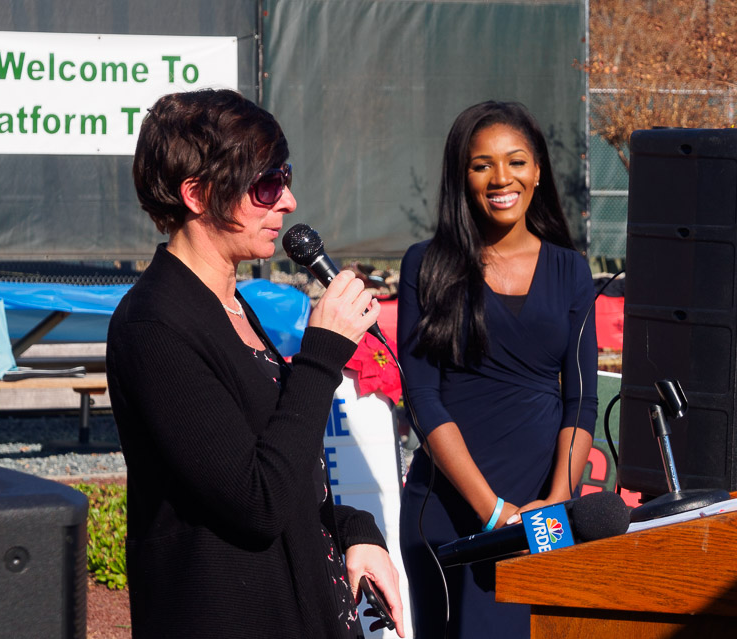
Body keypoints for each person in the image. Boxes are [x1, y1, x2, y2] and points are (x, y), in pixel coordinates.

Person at [107, 89, 405, 639]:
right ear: (197, 194)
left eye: (284, 178)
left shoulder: (228, 304)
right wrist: (320, 355)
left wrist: (355, 529)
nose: (288, 202)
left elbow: (279, 469)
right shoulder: (153, 326)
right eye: (266, 185)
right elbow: (255, 503)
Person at [397, 101, 599, 637]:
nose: (501, 178)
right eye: (481, 164)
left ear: (537, 172)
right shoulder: (426, 263)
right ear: (461, 176)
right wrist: (490, 511)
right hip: (447, 511)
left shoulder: (571, 270)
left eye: (516, 161)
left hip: (540, 514)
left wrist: (556, 503)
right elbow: (420, 394)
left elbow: (582, 399)